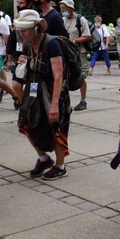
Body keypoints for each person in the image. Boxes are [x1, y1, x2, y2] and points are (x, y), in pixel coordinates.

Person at [16, 10, 71, 180]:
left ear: (36, 28)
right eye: (20, 29)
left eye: (24, 30)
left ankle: (60, 166)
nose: (21, 33)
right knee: (26, 123)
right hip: (34, 90)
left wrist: (54, 105)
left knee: (56, 127)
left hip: (55, 92)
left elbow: (58, 76)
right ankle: (44, 158)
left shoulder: (51, 44)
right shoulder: (27, 44)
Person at [60, 0, 91, 111]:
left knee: (81, 77)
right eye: (61, 8)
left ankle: (83, 101)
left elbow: (87, 36)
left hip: (79, 53)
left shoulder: (80, 20)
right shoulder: (63, 20)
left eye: (64, 8)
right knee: (66, 76)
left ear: (70, 8)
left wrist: (74, 41)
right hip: (67, 53)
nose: (62, 11)